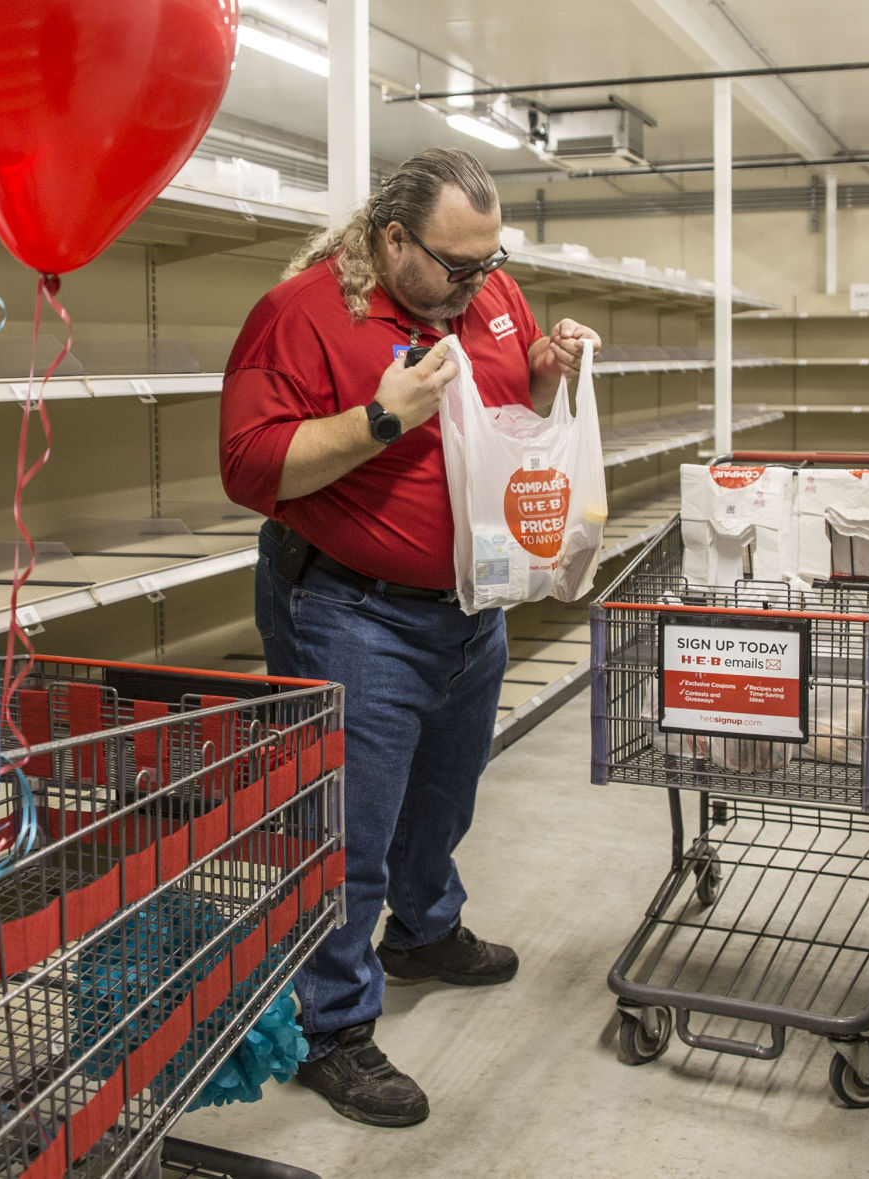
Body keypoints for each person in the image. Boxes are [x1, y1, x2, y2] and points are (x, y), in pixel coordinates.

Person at [218, 148, 601, 1129]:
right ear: (394, 241)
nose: (483, 284)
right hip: (350, 612)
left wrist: (548, 379)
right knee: (349, 830)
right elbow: (251, 465)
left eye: (492, 261)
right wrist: (379, 420)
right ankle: (330, 1027)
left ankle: (424, 930)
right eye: (459, 265)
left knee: (441, 794)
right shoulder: (302, 312)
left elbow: (513, 421)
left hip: (470, 608)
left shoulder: (492, 295)